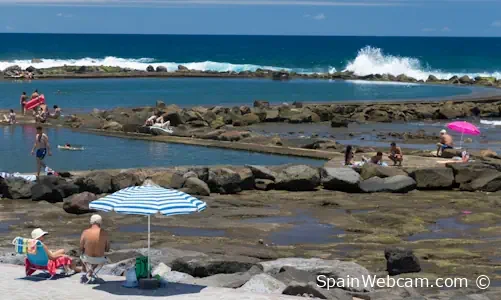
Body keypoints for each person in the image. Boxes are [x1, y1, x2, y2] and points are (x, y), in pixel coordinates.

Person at [80, 215, 110, 280]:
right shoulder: (104, 233)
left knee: (82, 253)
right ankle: (91, 270)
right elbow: (107, 249)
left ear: (91, 221)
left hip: (87, 259)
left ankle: (85, 269)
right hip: (100, 259)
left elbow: (81, 247)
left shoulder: (85, 232)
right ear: (100, 222)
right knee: (99, 254)